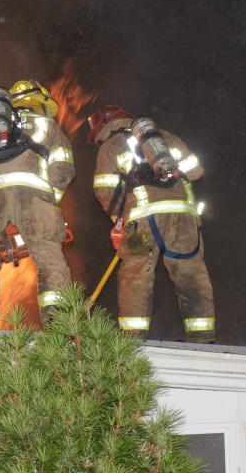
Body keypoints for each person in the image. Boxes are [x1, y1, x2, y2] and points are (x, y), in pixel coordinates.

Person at [87, 105, 215, 343]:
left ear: (105, 126)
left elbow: (104, 190)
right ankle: (203, 339)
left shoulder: (111, 146)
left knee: (137, 276)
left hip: (141, 222)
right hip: (183, 217)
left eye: (98, 135)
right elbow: (196, 171)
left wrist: (119, 220)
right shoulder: (166, 137)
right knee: (191, 275)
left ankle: (132, 340)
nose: (99, 140)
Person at [0, 80, 74, 329]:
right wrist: (48, 201)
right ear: (40, 102)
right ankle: (58, 325)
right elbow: (63, 168)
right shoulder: (48, 126)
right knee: (49, 256)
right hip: (34, 196)